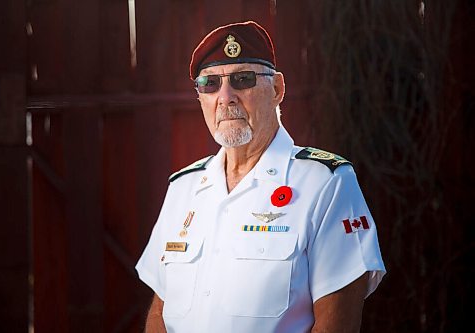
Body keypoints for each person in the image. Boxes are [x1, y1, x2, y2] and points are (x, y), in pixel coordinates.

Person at [135, 21, 386, 333]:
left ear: (277, 89)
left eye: (243, 79)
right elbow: (160, 312)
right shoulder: (183, 188)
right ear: (200, 97)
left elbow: (336, 325)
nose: (225, 97)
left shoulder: (326, 184)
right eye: (210, 84)